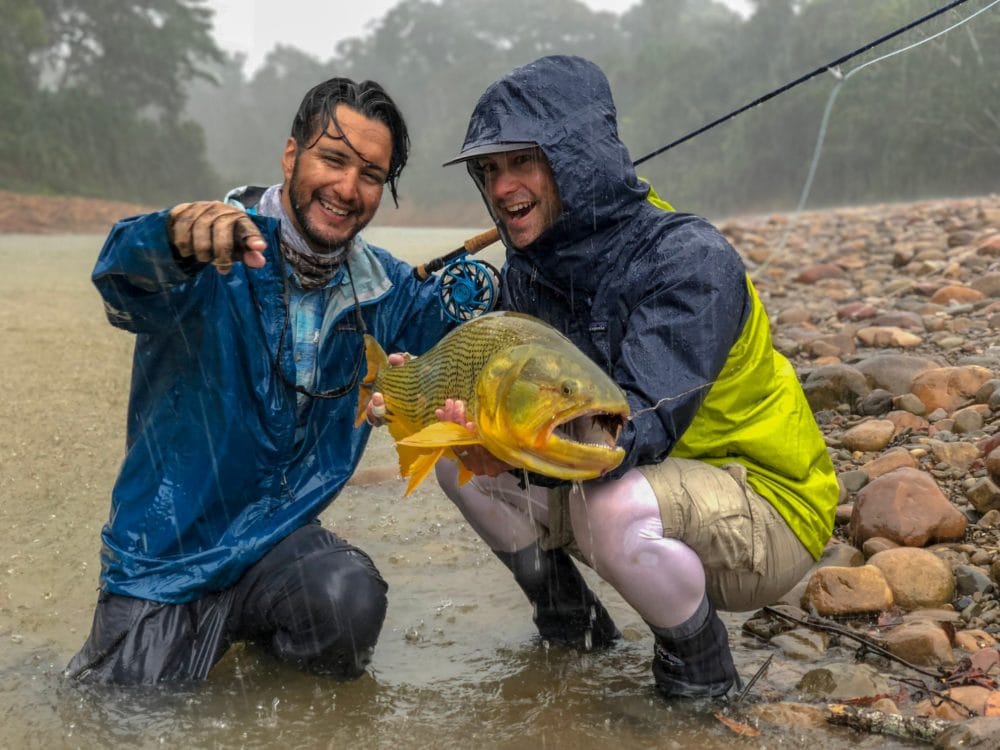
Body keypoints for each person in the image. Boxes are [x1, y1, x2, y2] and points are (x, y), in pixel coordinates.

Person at [434, 55, 840, 699]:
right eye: (489, 170)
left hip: (765, 506)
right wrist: (457, 425)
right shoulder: (527, 272)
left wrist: (515, 451)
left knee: (609, 502)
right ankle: (572, 627)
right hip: (649, 492)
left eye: (522, 162)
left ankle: (701, 674)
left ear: (577, 158)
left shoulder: (689, 259)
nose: (502, 186)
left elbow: (630, 435)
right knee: (456, 463)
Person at [65, 77, 456, 685]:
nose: (348, 189)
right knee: (120, 715)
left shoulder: (385, 289)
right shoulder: (208, 247)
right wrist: (170, 236)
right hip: (167, 553)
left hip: (278, 545)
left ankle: (270, 658)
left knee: (348, 597)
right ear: (291, 154)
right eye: (333, 159)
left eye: (371, 175)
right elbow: (120, 277)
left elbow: (469, 337)